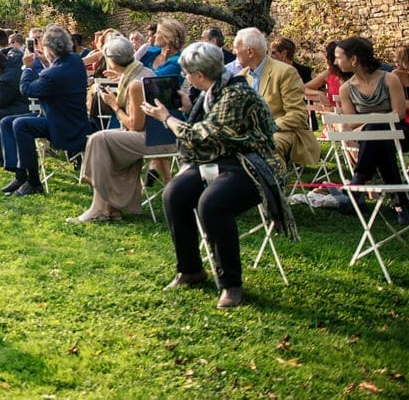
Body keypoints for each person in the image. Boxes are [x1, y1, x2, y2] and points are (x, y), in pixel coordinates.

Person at [145, 42, 296, 309]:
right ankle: (190, 269)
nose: (186, 79)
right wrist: (187, 107)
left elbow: (203, 136)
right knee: (174, 193)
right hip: (219, 160)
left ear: (200, 76)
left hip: (251, 164)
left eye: (188, 74)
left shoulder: (236, 94)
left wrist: (166, 118)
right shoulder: (212, 91)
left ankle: (231, 284)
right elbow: (206, 134)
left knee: (212, 203)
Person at [70, 36, 157, 222]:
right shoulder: (144, 71)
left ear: (111, 60)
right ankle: (112, 207)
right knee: (104, 142)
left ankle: (98, 207)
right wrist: (121, 79)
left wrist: (114, 105)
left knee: (99, 139)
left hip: (153, 140)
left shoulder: (135, 84)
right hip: (158, 135)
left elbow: (135, 125)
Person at [3, 25, 91, 197]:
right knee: (7, 122)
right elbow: (55, 74)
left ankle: (34, 182)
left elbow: (27, 89)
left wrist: (27, 67)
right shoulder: (75, 60)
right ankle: (20, 176)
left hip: (63, 125)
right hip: (71, 118)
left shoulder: (53, 74)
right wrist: (45, 62)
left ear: (49, 49)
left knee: (21, 125)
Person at [334, 37, 409, 220]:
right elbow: (352, 122)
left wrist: (372, 119)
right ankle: (401, 205)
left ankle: (358, 181)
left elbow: (400, 114)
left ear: (354, 59)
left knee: (376, 130)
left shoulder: (389, 79)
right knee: (380, 140)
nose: (335, 62)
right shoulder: (346, 89)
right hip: (373, 140)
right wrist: (373, 121)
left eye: (339, 57)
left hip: (399, 134)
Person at [232, 27, 318, 170]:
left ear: (250, 52)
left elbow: (297, 114)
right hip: (250, 134)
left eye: (236, 48)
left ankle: (272, 189)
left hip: (284, 132)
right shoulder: (240, 77)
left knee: (267, 144)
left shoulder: (285, 72)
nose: (234, 52)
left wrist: (266, 128)